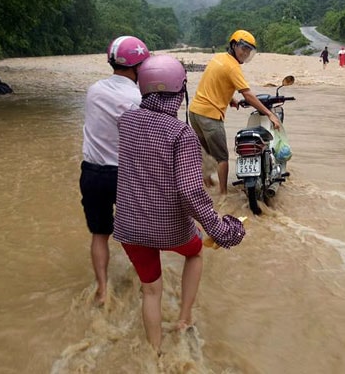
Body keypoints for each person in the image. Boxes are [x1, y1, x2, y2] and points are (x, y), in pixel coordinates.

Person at [113, 55, 246, 352]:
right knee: (195, 252)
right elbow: (189, 191)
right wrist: (218, 227)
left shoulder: (125, 121)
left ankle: (155, 354)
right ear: (179, 92)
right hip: (169, 228)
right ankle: (184, 318)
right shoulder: (180, 134)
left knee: (151, 290)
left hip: (128, 225)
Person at [79, 35, 151, 305]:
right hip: (125, 175)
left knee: (100, 234)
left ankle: (101, 288)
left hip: (92, 173)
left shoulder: (94, 89)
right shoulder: (139, 98)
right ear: (138, 67)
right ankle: (145, 282)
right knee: (140, 232)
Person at [189, 30, 281, 195]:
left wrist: (230, 99)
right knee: (222, 158)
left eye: (248, 50)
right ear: (233, 45)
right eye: (243, 48)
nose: (245, 53)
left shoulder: (218, 58)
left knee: (206, 153)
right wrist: (269, 114)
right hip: (210, 116)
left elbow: (215, 82)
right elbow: (248, 94)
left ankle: (207, 187)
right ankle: (223, 195)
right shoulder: (233, 67)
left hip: (195, 113)